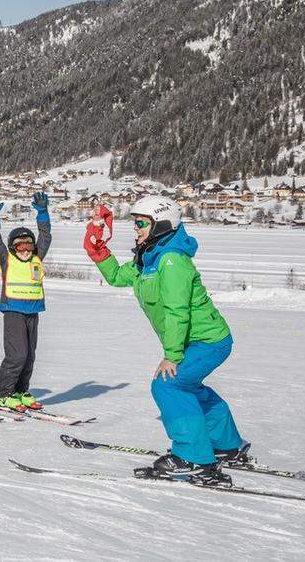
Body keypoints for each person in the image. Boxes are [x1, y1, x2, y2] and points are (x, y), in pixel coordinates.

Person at [84, 197, 246, 485]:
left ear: (161, 224)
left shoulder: (171, 261)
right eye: (135, 222)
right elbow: (119, 277)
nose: (136, 228)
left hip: (208, 340)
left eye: (142, 223)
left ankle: (194, 458)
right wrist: (98, 251)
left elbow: (176, 311)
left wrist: (172, 355)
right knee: (186, 385)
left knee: (168, 385)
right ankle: (226, 445)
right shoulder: (151, 257)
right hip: (195, 340)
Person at [0, 192, 52, 412]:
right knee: (17, 355)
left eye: (28, 245)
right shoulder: (6, 258)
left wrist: (42, 213)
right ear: (12, 247)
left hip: (33, 311)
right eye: (19, 245)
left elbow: (46, 236)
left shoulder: (37, 257)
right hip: (13, 310)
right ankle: (3, 394)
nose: (25, 249)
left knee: (30, 355)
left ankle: (20, 391)